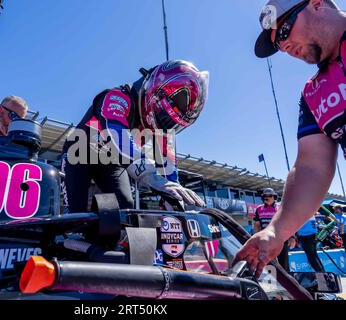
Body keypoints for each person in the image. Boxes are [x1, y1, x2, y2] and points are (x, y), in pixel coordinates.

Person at [235, 0, 346, 277]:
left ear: (318, 4)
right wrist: (276, 231)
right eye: (278, 45)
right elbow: (311, 167)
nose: (283, 47)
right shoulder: (313, 93)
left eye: (283, 31)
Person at [61, 60, 209, 213]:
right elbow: (118, 137)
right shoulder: (116, 97)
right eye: (164, 116)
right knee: (75, 214)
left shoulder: (161, 129)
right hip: (79, 154)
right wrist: (151, 176)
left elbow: (168, 169)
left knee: (125, 208)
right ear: (154, 93)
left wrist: (176, 203)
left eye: (172, 122)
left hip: (111, 162)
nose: (166, 123)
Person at [253, 188, 294, 270]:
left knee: (284, 265)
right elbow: (256, 225)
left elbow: (289, 223)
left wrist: (292, 237)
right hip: (266, 241)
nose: (267, 197)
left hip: (281, 240)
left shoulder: (281, 207)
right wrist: (256, 238)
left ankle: (286, 281)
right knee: (268, 265)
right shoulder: (258, 209)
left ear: (274, 197)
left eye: (270, 196)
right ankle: (271, 281)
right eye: (265, 196)